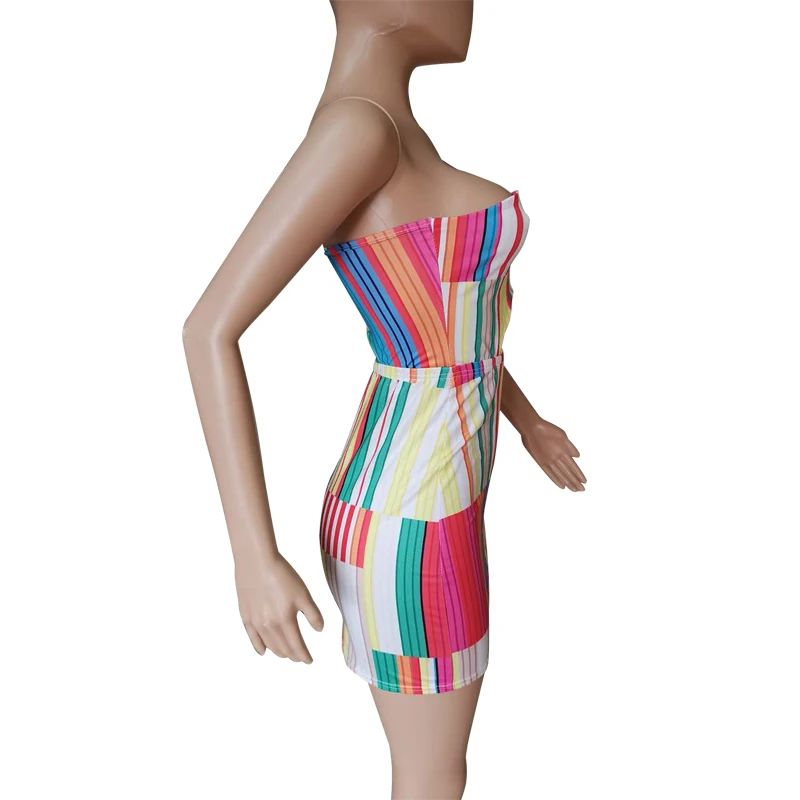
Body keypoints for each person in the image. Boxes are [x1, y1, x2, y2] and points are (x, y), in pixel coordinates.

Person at [183, 2, 586, 797]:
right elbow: (208, 331)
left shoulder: (393, 133)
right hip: (411, 517)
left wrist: (527, 419)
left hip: (431, 501)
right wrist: (252, 556)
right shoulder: (358, 131)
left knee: (436, 772)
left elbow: (447, 343)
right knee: (432, 776)